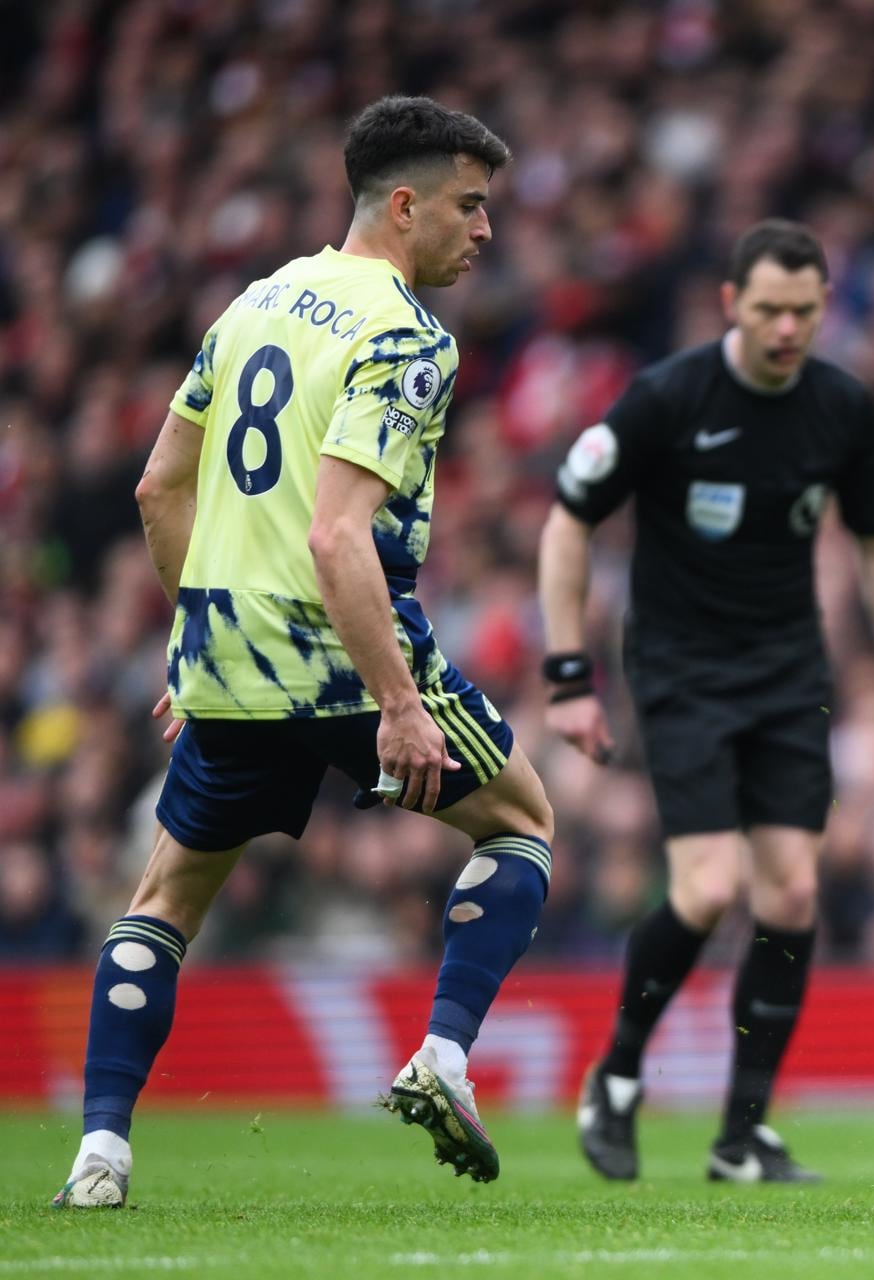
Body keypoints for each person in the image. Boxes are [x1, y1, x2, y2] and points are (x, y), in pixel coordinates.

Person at [53, 97, 554, 1208]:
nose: (485, 232)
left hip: (228, 660)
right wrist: (398, 701)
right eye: (471, 207)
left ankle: (99, 1154)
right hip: (344, 648)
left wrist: (197, 646)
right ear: (406, 203)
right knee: (523, 820)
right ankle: (444, 1053)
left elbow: (157, 486)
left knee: (166, 897)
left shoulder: (252, 304)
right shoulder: (406, 333)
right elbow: (337, 531)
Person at [541, 219, 874, 1184]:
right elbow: (567, 522)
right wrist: (566, 674)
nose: (787, 329)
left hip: (789, 671)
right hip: (679, 666)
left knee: (793, 892)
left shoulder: (841, 409)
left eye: (803, 311)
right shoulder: (667, 399)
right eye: (768, 311)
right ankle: (617, 1074)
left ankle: (741, 1136)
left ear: (822, 307)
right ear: (730, 305)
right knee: (709, 889)